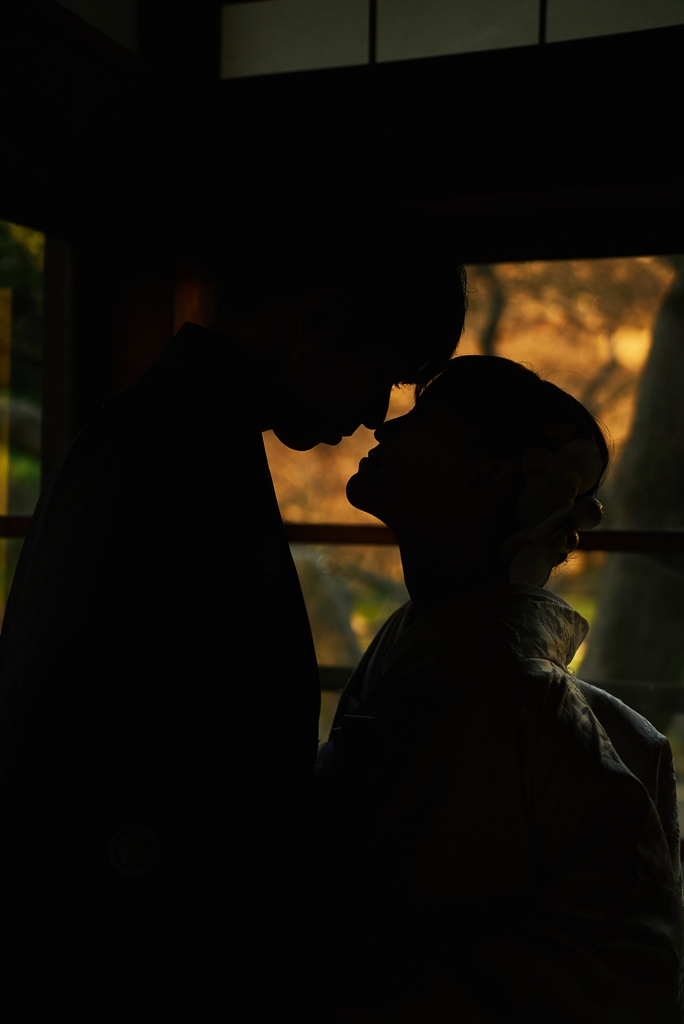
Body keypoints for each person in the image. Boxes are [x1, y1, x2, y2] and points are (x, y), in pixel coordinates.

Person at [0, 202, 468, 1021]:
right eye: (386, 377)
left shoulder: (172, 434)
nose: (375, 414)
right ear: (320, 320)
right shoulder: (175, 454)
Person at [316, 355, 684, 1023]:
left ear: (488, 477)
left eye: (424, 418)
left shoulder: (507, 691)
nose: (384, 428)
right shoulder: (453, 655)